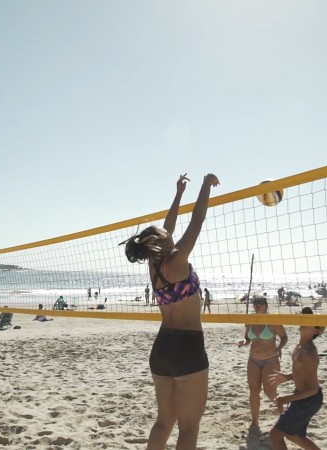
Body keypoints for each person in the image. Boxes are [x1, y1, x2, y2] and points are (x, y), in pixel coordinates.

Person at [121, 172, 219, 450]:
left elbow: (168, 227)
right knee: (189, 428)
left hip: (162, 348)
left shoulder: (154, 268)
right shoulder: (177, 260)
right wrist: (204, 186)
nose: (169, 233)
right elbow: (196, 222)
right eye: (166, 235)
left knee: (164, 422)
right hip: (187, 347)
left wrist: (178, 194)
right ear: (163, 242)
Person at [268, 307, 324, 450]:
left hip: (309, 399)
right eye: (303, 318)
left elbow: (312, 389)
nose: (303, 321)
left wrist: (286, 399)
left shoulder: (309, 353)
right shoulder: (299, 346)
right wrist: (287, 376)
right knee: (293, 435)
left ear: (315, 331)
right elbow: (303, 373)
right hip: (302, 396)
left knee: (275, 435)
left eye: (309, 320)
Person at [237, 296, 288, 434]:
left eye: (260, 303)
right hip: (253, 358)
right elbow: (248, 338)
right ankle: (255, 421)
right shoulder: (250, 320)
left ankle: (285, 415)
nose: (257, 305)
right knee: (254, 392)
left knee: (270, 392)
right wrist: (244, 342)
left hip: (270, 359)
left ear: (266, 305)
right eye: (255, 303)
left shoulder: (272, 320)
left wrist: (278, 348)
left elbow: (284, 337)